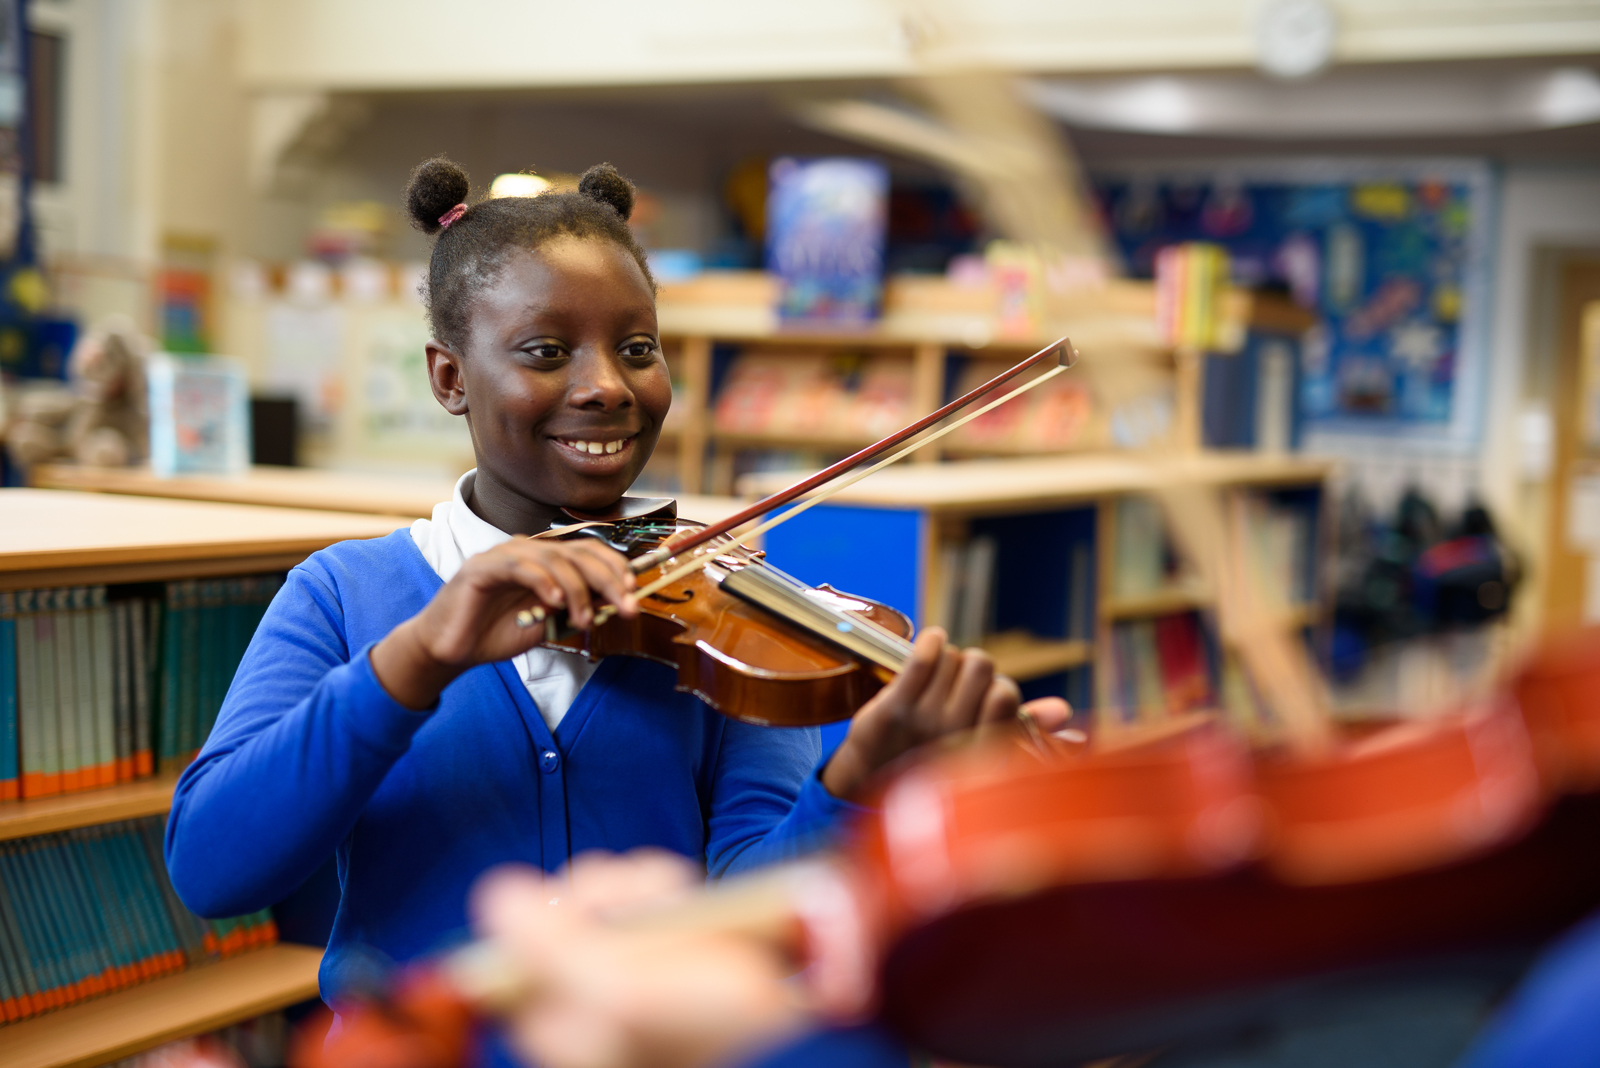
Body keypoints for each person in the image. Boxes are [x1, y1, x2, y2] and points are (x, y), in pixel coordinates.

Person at [164, 158, 1066, 1064]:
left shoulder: (729, 615)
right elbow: (212, 868)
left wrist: (857, 784)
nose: (607, 386)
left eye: (637, 348)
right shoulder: (346, 593)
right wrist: (418, 660)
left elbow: (754, 909)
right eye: (547, 352)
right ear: (450, 378)